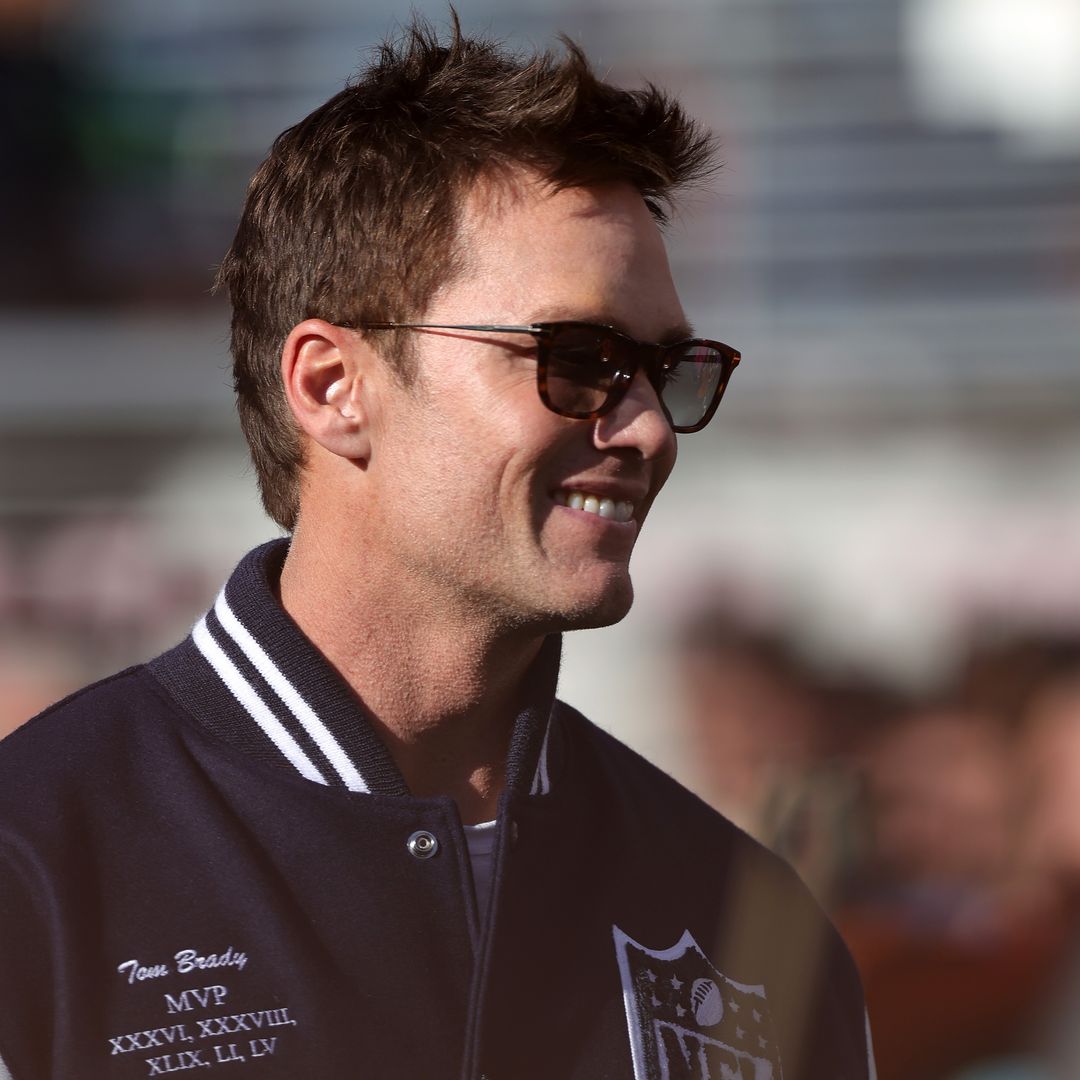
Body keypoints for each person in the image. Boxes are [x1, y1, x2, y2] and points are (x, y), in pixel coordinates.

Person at [0, 17, 875, 1080]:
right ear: (332, 385)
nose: (648, 428)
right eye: (578, 358)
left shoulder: (741, 917)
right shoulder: (36, 863)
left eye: (667, 371)